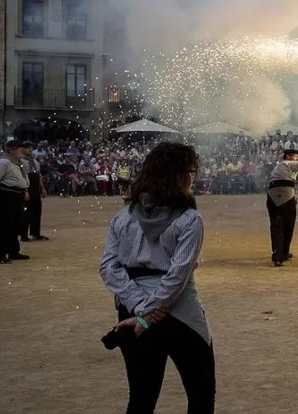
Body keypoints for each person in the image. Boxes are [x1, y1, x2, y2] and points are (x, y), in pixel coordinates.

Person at [99, 142, 215, 413]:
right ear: (181, 176)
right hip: (180, 314)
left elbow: (109, 268)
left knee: (141, 398)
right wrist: (148, 313)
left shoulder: (122, 217)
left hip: (131, 312)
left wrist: (139, 308)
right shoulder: (190, 219)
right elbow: (178, 275)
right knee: (201, 395)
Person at [0, 140, 30, 264]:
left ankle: (13, 251)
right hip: (5, 194)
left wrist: (25, 189)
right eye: (19, 149)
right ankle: (0, 254)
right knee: (4, 224)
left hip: (17, 195)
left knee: (15, 223)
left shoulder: (17, 162)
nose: (21, 152)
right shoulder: (3, 162)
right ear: (12, 150)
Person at [20, 141, 48, 242]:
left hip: (35, 188)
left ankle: (35, 233)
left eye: (31, 148)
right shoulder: (20, 162)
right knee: (26, 212)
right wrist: (25, 190)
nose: (30, 150)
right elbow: (22, 177)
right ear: (22, 149)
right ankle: (23, 235)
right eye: (27, 148)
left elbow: (38, 176)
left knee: (37, 210)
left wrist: (42, 188)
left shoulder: (35, 161)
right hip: (27, 186)